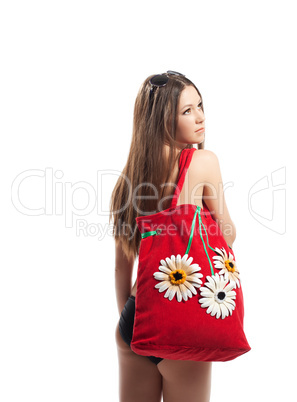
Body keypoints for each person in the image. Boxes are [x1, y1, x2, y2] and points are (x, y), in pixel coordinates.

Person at [109, 71, 236, 402]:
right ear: (161, 120)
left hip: (135, 319)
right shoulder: (203, 162)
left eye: (200, 106)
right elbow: (228, 234)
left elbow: (123, 265)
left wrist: (135, 321)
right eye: (187, 111)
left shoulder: (129, 179)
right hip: (182, 322)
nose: (200, 117)